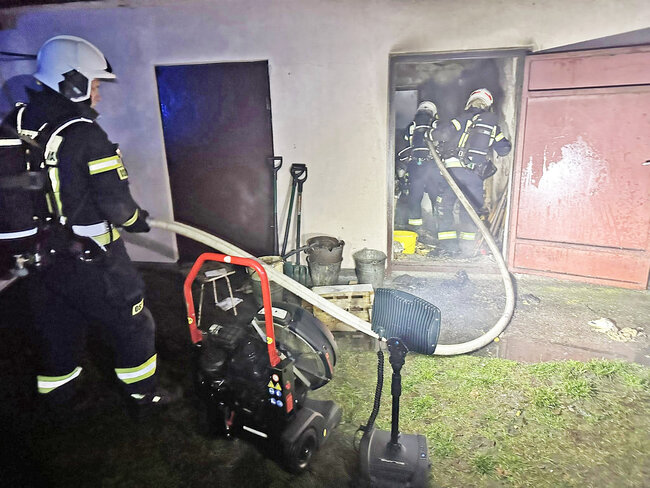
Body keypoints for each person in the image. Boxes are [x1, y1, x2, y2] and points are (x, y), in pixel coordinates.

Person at [0, 35, 178, 418]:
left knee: (57, 323)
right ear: (72, 81)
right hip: (91, 258)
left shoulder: (18, 120)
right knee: (133, 322)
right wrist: (138, 220)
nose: (97, 93)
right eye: (94, 84)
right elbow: (118, 206)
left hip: (40, 257)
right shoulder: (85, 134)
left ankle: (58, 396)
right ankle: (143, 396)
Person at [431, 88, 511, 256]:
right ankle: (467, 250)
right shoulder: (492, 126)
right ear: (488, 105)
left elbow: (441, 134)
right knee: (471, 211)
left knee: (445, 207)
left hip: (452, 173)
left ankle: (448, 247)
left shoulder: (461, 119)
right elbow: (504, 149)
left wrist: (431, 133)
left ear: (470, 102)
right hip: (475, 175)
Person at [397, 100, 441, 236]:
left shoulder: (412, 126)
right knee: (437, 197)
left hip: (415, 166)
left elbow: (404, 147)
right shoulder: (437, 124)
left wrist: (404, 165)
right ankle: (439, 227)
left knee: (415, 198)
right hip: (432, 165)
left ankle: (415, 229)